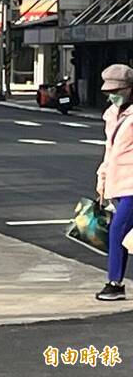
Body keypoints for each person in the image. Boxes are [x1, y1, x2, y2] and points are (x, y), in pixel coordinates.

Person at [95, 64, 133, 302]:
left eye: (117, 90)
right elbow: (110, 151)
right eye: (109, 90)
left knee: (118, 231)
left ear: (129, 89)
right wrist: (102, 178)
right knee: (124, 234)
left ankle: (114, 283)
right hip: (118, 183)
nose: (112, 94)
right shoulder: (111, 114)